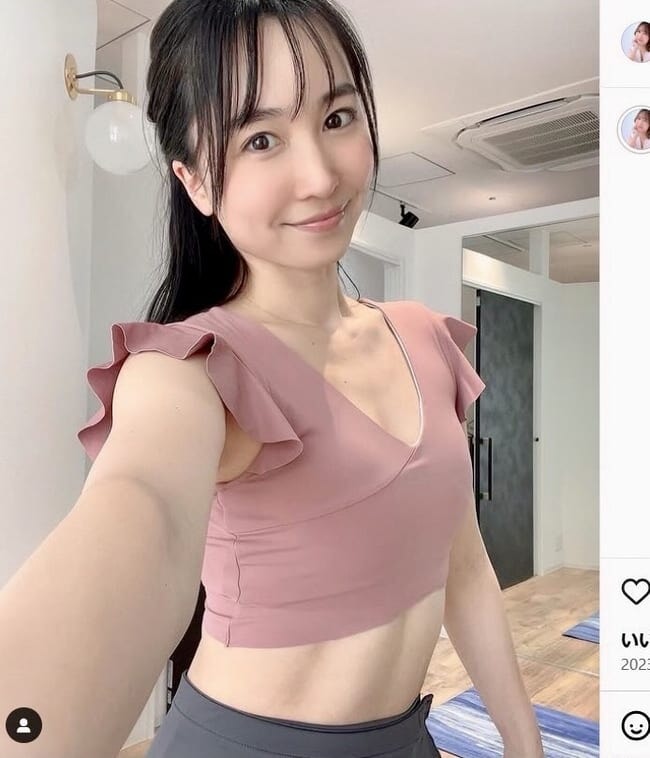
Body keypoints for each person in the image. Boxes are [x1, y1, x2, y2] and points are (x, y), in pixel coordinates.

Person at [0, 1, 545, 757]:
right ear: (196, 182)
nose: (320, 176)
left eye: (337, 117)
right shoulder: (189, 369)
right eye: (260, 139)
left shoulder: (424, 336)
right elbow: (142, 507)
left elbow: (462, 565)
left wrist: (525, 742)